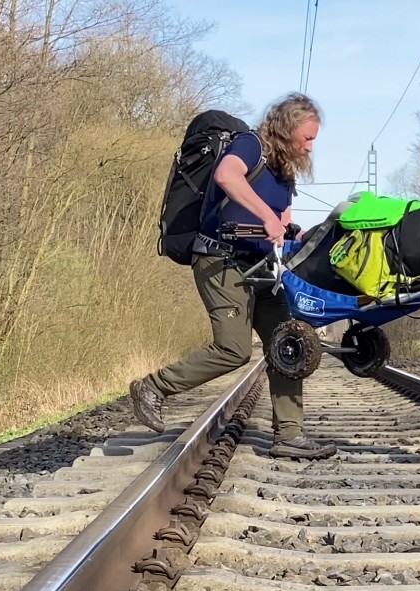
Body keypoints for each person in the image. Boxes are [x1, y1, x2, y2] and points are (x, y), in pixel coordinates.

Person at [129, 94, 336, 460]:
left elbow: (281, 221)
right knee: (233, 350)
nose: (311, 145)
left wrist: (297, 233)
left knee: (288, 344)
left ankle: (289, 435)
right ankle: (152, 388)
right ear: (287, 129)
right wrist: (267, 217)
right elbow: (227, 176)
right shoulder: (250, 146)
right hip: (219, 261)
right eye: (307, 137)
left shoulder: (284, 168)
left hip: (259, 268)